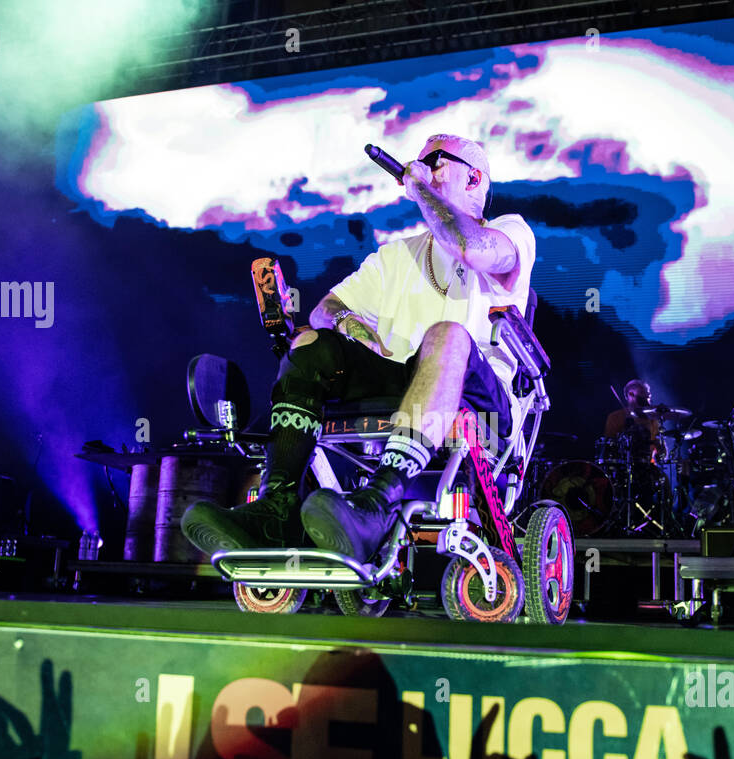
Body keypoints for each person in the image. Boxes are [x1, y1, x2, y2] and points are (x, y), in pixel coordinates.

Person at [184, 134, 536, 564]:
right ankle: (276, 509)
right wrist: (354, 326)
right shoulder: (397, 255)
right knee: (310, 343)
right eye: (418, 164)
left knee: (447, 334)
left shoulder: (509, 232)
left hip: (480, 395)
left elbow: (470, 248)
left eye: (436, 162)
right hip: (404, 380)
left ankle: (377, 505)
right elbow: (325, 310)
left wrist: (420, 187)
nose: (421, 169)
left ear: (474, 176)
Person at [604, 378, 664, 461]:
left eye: (649, 392)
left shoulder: (653, 419)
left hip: (647, 467)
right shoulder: (615, 417)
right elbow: (609, 445)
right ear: (631, 394)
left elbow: (660, 449)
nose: (648, 395)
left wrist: (661, 451)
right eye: (643, 392)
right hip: (623, 466)